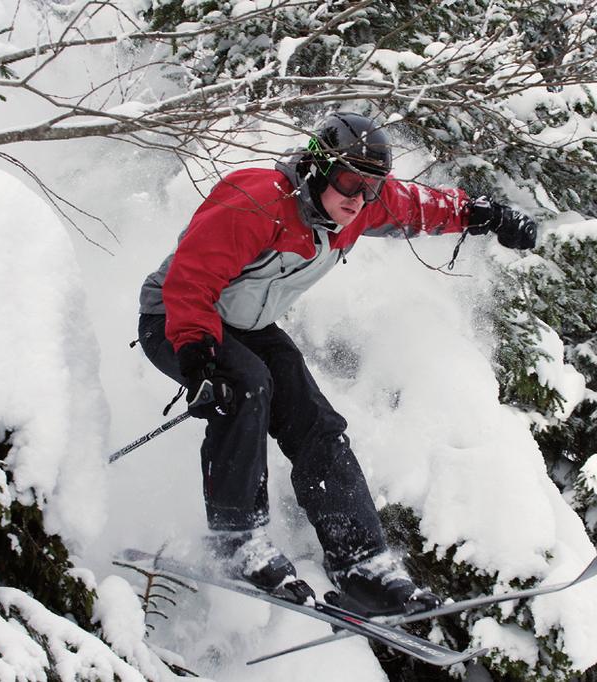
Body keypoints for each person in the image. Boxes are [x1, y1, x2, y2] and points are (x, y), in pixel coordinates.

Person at [137, 112, 537, 615]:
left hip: (247, 328)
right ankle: (237, 538)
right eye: (349, 181)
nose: (359, 197)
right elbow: (189, 281)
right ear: (317, 169)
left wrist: (489, 216)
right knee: (247, 384)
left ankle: (361, 563)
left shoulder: (360, 206)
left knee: (317, 424)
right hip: (175, 319)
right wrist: (197, 359)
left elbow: (418, 206)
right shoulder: (258, 201)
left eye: (371, 188)